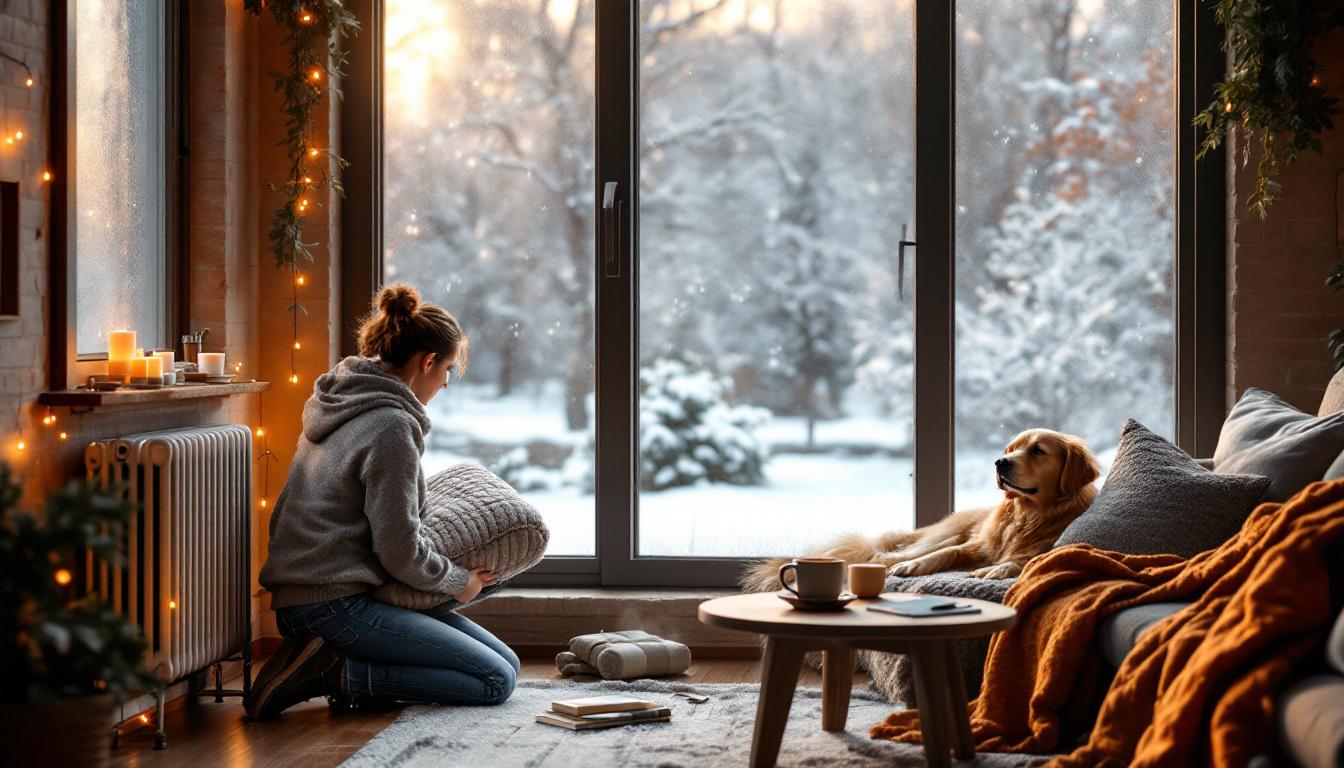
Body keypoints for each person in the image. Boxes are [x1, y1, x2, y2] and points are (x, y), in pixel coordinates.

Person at [244, 284, 519, 720]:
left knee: (510, 665)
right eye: (447, 371)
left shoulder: (342, 398)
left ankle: (343, 670)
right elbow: (399, 551)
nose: (444, 384)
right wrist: (457, 581)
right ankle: (336, 671)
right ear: (426, 362)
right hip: (333, 605)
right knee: (493, 681)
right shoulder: (390, 427)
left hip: (307, 598)